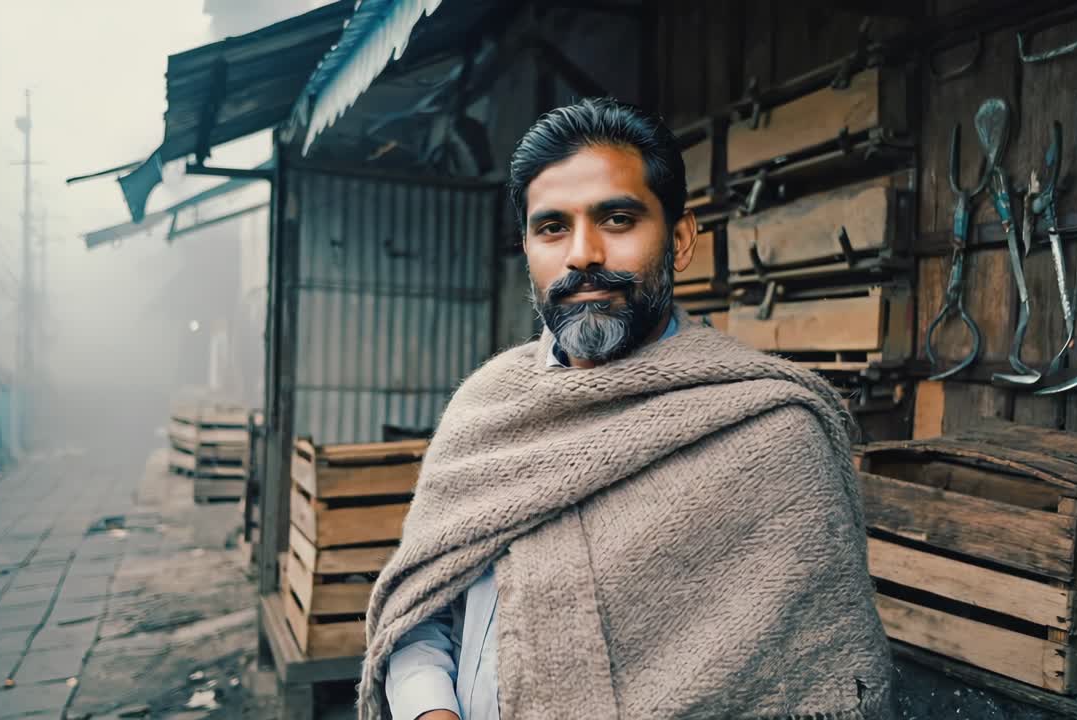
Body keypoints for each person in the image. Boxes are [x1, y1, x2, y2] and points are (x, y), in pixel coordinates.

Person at [357, 98, 893, 720]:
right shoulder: (485, 409)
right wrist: (431, 711)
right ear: (528, 248)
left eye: (616, 219)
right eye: (552, 227)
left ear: (681, 238)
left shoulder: (772, 435)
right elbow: (422, 614)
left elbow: (817, 679)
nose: (582, 254)